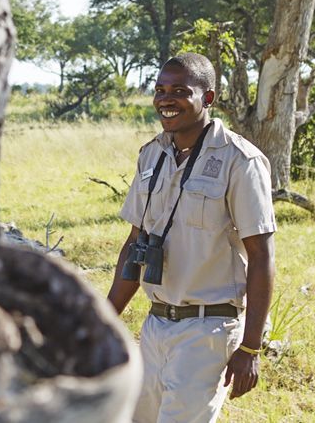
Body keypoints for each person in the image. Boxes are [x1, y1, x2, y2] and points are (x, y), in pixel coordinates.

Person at [107, 52, 276, 423]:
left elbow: (261, 257)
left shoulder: (239, 161)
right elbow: (134, 243)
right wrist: (103, 320)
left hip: (206, 329)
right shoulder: (152, 155)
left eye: (180, 91)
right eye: (160, 90)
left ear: (208, 99)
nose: (166, 100)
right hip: (155, 325)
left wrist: (250, 346)